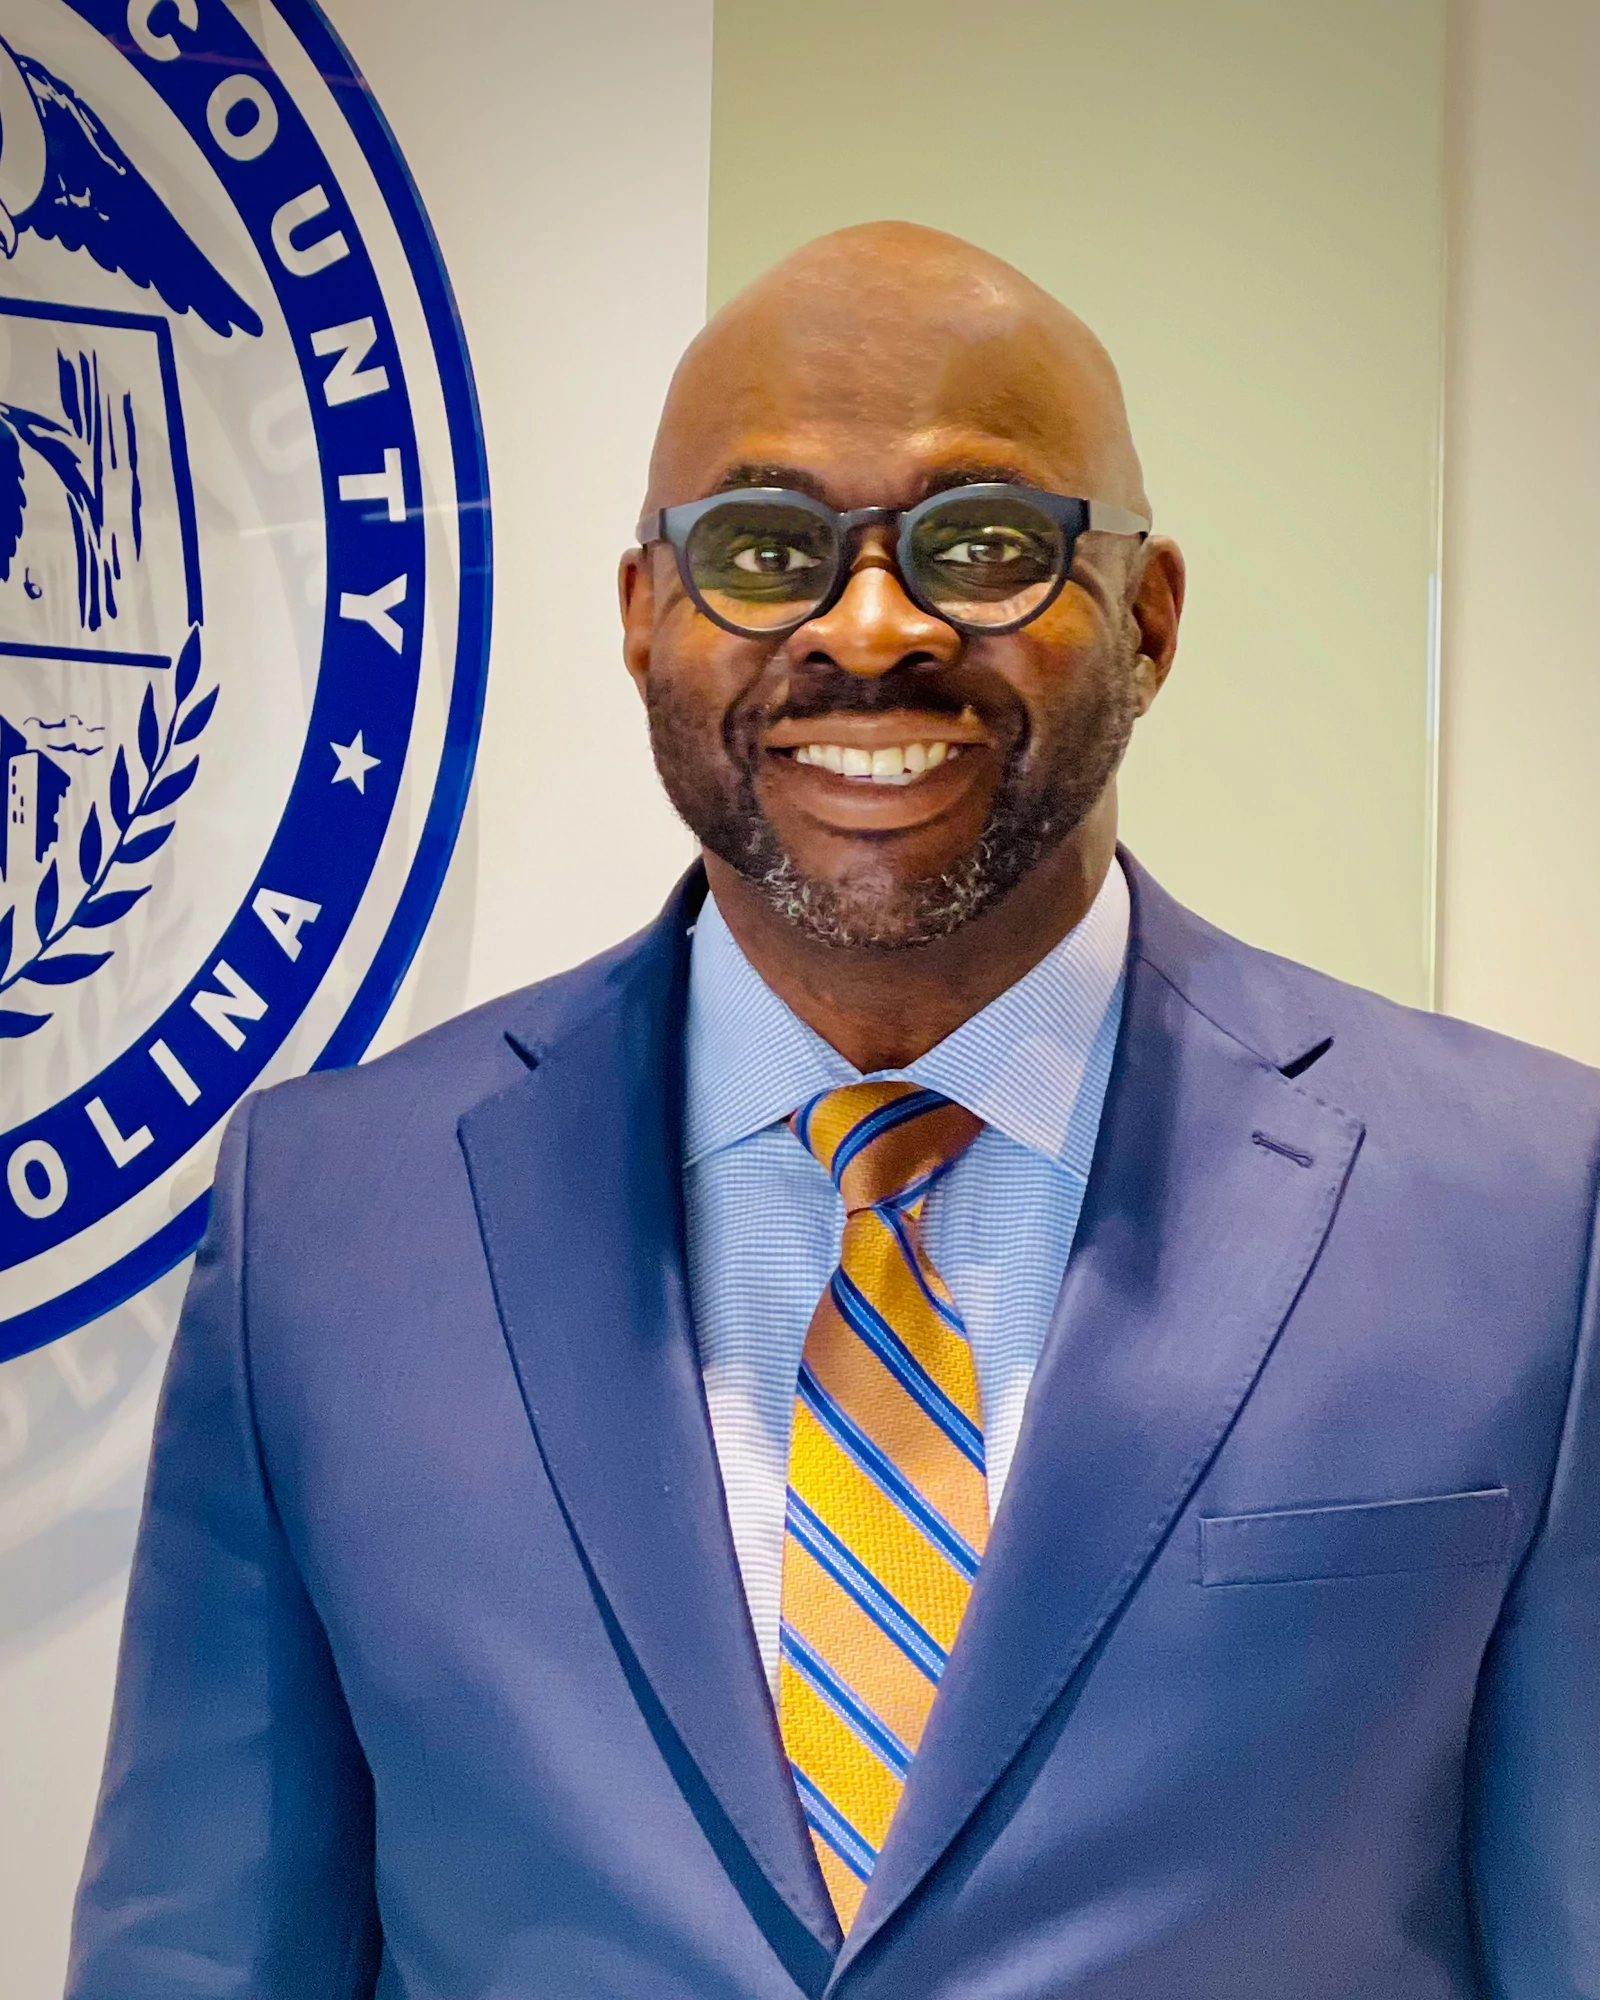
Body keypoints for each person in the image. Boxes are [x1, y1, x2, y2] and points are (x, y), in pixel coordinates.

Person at [68, 223, 1599, 2000]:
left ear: (1150, 617)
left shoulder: (1524, 1216)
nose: (871, 630)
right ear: (644, 619)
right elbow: (199, 1956)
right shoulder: (324, 1228)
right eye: (764, 546)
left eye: (984, 542)